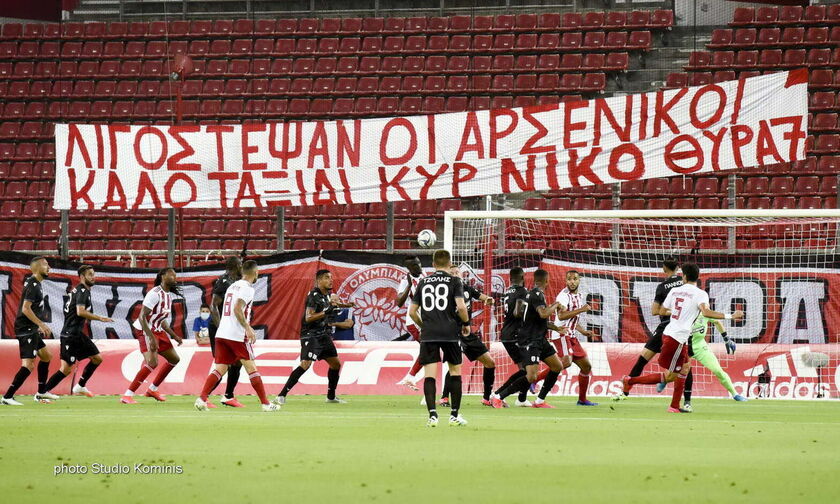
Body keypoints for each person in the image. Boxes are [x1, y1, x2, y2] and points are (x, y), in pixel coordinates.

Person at [622, 262, 744, 413]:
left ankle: (675, 405)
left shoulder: (674, 291)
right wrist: (731, 316)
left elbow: (660, 310)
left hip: (673, 334)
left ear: (684, 276)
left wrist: (678, 312)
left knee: (685, 369)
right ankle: (630, 381)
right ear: (697, 277)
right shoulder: (700, 294)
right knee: (671, 375)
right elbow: (706, 313)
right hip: (676, 338)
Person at [196, 260, 279, 412]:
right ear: (255, 273)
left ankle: (201, 399)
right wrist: (247, 328)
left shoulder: (232, 286)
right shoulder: (247, 288)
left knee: (220, 369)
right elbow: (237, 309)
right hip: (237, 335)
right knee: (251, 368)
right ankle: (266, 404)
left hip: (222, 333)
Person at [408, 249, 470, 427]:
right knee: (455, 372)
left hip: (429, 333)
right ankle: (454, 415)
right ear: (450, 264)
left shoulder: (423, 283)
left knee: (430, 376)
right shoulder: (455, 280)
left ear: (433, 264)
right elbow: (461, 307)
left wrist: (423, 325)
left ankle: (432, 416)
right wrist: (466, 324)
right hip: (450, 332)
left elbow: (412, 312)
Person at [274, 269, 354, 404]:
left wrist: (346, 305)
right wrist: (325, 312)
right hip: (311, 335)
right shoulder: (313, 295)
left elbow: (331, 305)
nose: (331, 280)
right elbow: (309, 317)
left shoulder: (327, 295)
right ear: (319, 281)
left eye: (331, 277)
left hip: (324, 335)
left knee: (335, 364)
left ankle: (331, 397)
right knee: (305, 364)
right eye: (327, 278)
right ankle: (281, 395)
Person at [615, 257, 687, 400]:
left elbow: (655, 311)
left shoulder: (662, 286)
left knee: (642, 360)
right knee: (685, 366)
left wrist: (671, 312)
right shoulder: (686, 285)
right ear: (678, 269)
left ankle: (625, 392)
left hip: (664, 328)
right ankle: (686, 401)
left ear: (664, 269)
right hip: (681, 329)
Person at [492, 269, 566, 409]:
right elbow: (543, 314)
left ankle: (539, 401)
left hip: (539, 338)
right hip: (530, 340)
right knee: (530, 376)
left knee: (557, 366)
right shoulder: (536, 294)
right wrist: (556, 304)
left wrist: (556, 328)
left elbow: (536, 318)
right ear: (547, 281)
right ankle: (499, 396)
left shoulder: (532, 295)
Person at [42, 265, 114, 397]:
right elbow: (80, 311)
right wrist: (100, 318)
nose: (93, 277)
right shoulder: (82, 291)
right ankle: (42, 392)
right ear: (82, 277)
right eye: (90, 274)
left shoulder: (81, 290)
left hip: (76, 334)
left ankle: (80, 386)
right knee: (66, 369)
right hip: (70, 334)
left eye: (94, 274)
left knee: (97, 358)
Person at [120, 268, 184, 404]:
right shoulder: (154, 294)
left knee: (174, 359)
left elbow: (161, 319)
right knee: (152, 362)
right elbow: (142, 316)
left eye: (175, 275)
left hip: (158, 330)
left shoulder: (168, 295)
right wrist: (150, 337)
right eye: (171, 274)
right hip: (145, 330)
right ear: (162, 276)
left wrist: (174, 336)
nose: (174, 277)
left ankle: (152, 389)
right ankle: (127, 395)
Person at [537, 270, 598, 406]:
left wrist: (583, 331)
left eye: (575, 279)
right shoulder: (563, 296)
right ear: (565, 281)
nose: (572, 282)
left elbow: (573, 318)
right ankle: (535, 380)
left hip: (571, 335)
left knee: (586, 367)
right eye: (569, 279)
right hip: (561, 334)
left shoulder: (579, 295)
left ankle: (582, 400)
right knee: (566, 362)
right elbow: (561, 316)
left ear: (579, 280)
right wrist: (582, 309)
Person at [1, 256, 56, 405]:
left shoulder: (36, 283)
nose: (49, 267)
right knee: (28, 365)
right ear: (36, 268)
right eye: (45, 265)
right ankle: (7, 397)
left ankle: (41, 392)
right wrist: (42, 325)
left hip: (30, 327)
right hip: (26, 329)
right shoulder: (33, 284)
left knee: (46, 356)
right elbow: (25, 309)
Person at [439, 265, 496, 407]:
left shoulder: (467, 289)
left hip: (467, 333)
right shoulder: (445, 292)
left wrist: (489, 299)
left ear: (461, 274)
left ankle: (486, 398)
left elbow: (482, 297)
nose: (455, 274)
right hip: (453, 332)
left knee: (490, 363)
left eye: (457, 272)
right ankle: (444, 398)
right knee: (455, 365)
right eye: (451, 273)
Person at [678, 314, 747, 410]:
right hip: (683, 347)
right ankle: (664, 381)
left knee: (717, 370)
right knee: (677, 375)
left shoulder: (705, 313)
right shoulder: (685, 313)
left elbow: (717, 321)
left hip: (700, 347)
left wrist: (726, 339)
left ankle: (735, 394)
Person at [492, 267, 532, 407]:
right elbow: (517, 313)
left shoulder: (507, 292)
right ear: (523, 278)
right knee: (527, 370)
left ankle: (521, 398)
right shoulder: (522, 292)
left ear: (510, 279)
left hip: (507, 334)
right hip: (515, 335)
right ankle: (498, 394)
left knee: (524, 369)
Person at [209, 257, 245, 407]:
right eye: (240, 264)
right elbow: (213, 306)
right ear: (235, 266)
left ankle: (228, 396)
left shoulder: (234, 282)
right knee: (223, 364)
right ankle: (204, 397)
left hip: (230, 328)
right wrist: (221, 327)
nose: (242, 267)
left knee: (236, 362)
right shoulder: (223, 281)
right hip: (221, 328)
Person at [395, 256, 426, 391]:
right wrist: (408, 285)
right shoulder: (404, 281)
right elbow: (399, 303)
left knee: (430, 349)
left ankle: (410, 377)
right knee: (428, 348)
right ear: (409, 268)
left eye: (419, 264)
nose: (418, 267)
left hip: (425, 319)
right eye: (415, 266)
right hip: (414, 322)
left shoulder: (424, 275)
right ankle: (411, 377)